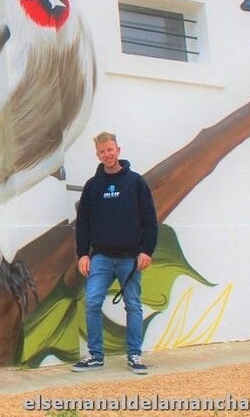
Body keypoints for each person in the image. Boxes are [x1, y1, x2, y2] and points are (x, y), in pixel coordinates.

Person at [71, 132, 157, 374]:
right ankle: (96, 356)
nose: (107, 155)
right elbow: (83, 223)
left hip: (130, 259)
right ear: (97, 154)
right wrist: (83, 254)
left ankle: (135, 355)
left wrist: (146, 251)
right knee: (92, 302)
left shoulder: (135, 182)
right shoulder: (92, 186)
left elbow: (150, 220)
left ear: (118, 150)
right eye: (102, 151)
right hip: (101, 258)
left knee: (133, 305)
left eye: (110, 150)